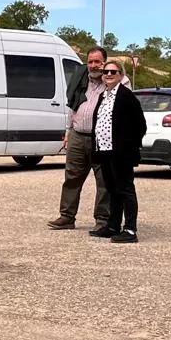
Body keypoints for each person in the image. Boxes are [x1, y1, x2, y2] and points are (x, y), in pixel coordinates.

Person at [49, 47, 120, 232]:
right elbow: (73, 107)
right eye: (90, 62)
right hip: (77, 135)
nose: (93, 65)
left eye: (98, 61)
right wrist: (67, 132)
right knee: (72, 176)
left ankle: (103, 220)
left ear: (105, 62)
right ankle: (67, 217)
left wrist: (108, 76)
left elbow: (124, 90)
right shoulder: (81, 80)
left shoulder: (112, 81)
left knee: (103, 180)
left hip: (101, 139)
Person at [89, 61, 145, 243]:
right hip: (104, 150)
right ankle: (113, 225)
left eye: (113, 71)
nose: (108, 74)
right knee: (112, 189)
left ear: (121, 74)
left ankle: (130, 229)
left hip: (121, 152)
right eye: (106, 72)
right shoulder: (103, 95)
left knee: (125, 189)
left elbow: (140, 125)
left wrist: (129, 146)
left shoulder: (126, 96)